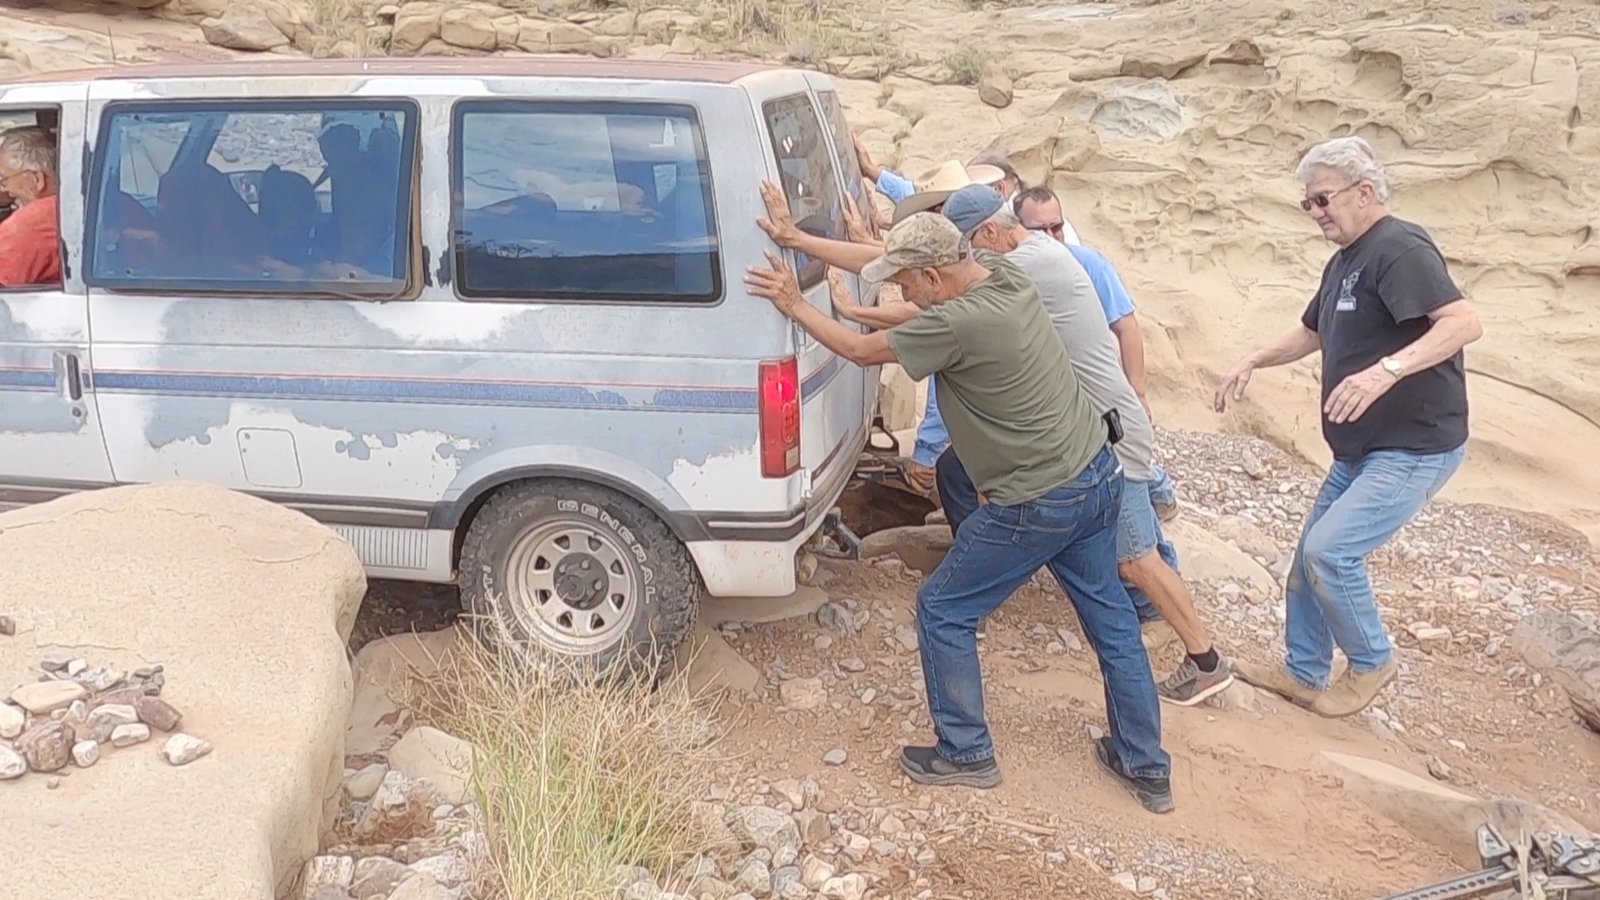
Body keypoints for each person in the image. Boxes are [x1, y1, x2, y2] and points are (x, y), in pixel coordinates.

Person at [748, 187, 1174, 814]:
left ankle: (966, 751)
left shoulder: (955, 322)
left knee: (943, 609)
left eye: (905, 285)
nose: (903, 295)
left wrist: (792, 302)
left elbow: (862, 350)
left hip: (1037, 501)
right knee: (1112, 623)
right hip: (1096, 475)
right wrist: (799, 240)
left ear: (932, 276)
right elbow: (885, 255)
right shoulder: (1001, 273)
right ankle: (1146, 766)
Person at [900, 185, 1231, 706]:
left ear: (988, 233)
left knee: (1136, 560)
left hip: (1107, 431)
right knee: (962, 473)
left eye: (966, 248)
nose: (964, 261)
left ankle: (1205, 659)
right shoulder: (1035, 254)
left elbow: (942, 318)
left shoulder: (1018, 269)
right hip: (1098, 424)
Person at [1216, 136, 1483, 718]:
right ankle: (1304, 672)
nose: (1315, 212)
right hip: (1360, 450)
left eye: (1323, 199)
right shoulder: (1345, 260)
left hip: (1413, 444)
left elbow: (1463, 322)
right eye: (1307, 203)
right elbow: (1313, 332)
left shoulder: (1399, 248)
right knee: (1305, 565)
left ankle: (1371, 660)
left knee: (1331, 553)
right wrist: (1255, 358)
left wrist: (1386, 371)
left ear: (1364, 192)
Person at [1013, 185, 1178, 522]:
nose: (1051, 237)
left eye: (1057, 227)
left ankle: (1157, 493)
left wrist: (1138, 392)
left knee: (1122, 458)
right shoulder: (1019, 268)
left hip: (1096, 390)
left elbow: (1127, 327)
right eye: (1040, 230)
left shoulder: (1089, 263)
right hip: (1057, 393)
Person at [0, 126, 62, 288]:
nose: (4, 189)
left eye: (4, 179)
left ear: (37, 179)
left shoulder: (29, 225)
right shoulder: (96, 204)